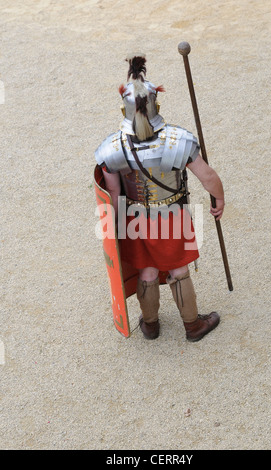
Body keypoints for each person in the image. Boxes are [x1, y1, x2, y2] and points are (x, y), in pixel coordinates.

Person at [95, 53, 225, 342]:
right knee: (178, 267)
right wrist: (218, 200)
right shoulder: (179, 140)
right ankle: (192, 326)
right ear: (156, 105)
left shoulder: (112, 149)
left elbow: (113, 194)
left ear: (124, 110)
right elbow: (208, 177)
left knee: (147, 269)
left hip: (135, 220)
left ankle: (151, 325)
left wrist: (114, 230)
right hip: (173, 215)